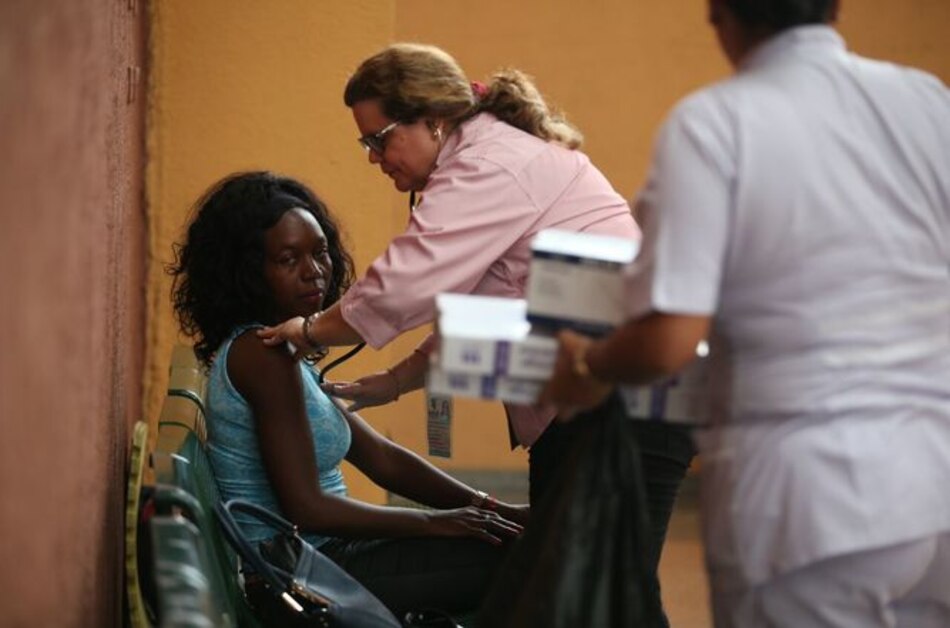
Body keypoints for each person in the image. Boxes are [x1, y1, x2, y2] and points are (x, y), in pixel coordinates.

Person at [541, 1, 950, 626]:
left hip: (814, 497)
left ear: (718, 16)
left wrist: (588, 365)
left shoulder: (717, 122)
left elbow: (666, 342)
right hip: (933, 474)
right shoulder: (926, 100)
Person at [257, 43, 693, 624]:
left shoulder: (490, 165)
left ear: (432, 120)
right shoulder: (481, 162)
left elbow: (407, 280)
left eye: (379, 138)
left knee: (598, 591)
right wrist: (391, 383)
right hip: (603, 400)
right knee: (593, 591)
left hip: (624, 401)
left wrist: (313, 331)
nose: (373, 157)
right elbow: (472, 306)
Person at [168, 171, 527, 618]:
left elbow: (382, 458)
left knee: (524, 542)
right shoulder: (262, 357)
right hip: (304, 573)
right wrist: (439, 523)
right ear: (248, 272)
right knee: (531, 561)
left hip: (331, 557)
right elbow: (308, 509)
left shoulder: (285, 350)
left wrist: (493, 508)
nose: (313, 272)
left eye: (320, 253)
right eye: (287, 259)